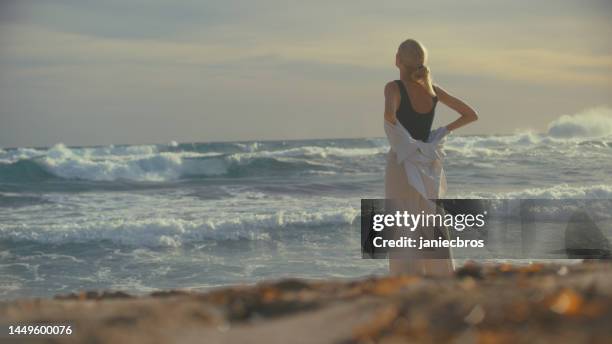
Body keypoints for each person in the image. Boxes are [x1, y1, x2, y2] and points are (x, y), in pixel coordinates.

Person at [383, 39, 478, 276]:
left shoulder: (393, 87)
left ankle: (405, 276)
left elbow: (389, 116)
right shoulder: (432, 89)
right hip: (427, 163)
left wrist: (403, 138)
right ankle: (440, 275)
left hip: (402, 163)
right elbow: (470, 115)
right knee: (429, 220)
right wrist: (441, 132)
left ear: (398, 60)